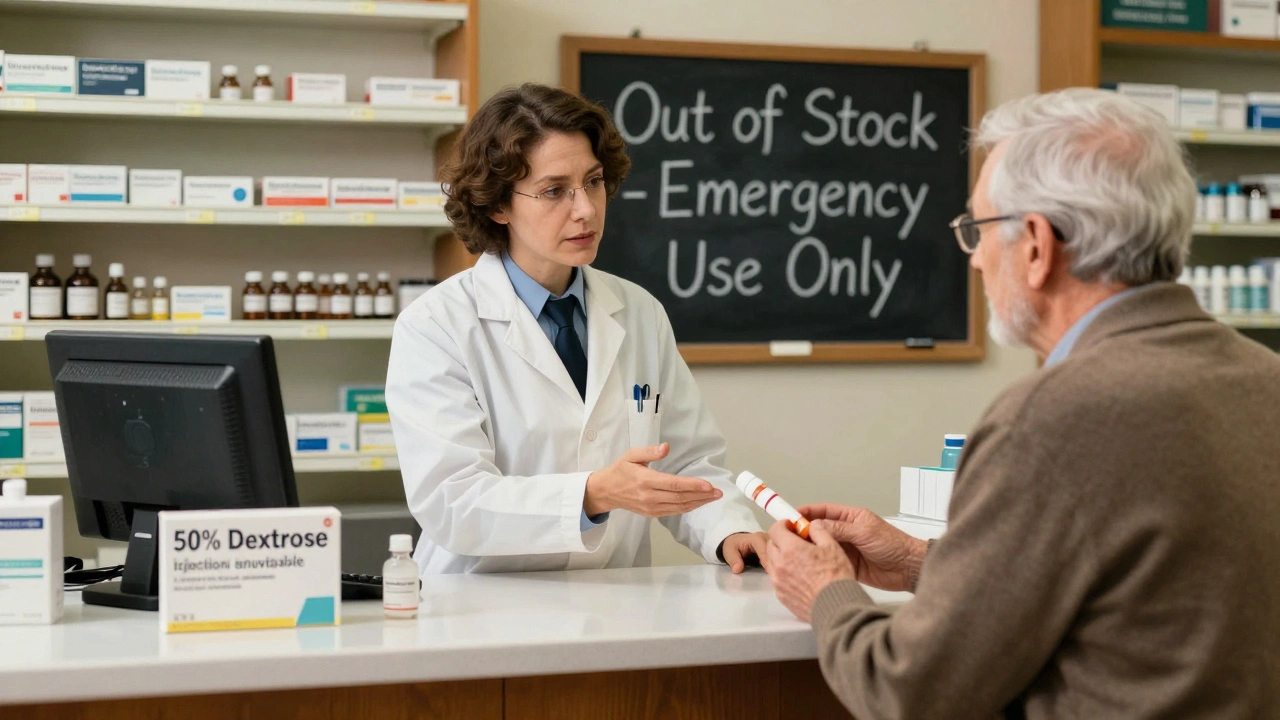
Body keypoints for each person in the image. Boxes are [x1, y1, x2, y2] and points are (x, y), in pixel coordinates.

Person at [766, 88, 1280, 718]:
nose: (976, 259)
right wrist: (919, 563)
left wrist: (825, 592)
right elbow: (1145, 600)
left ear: (1037, 245)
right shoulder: (1265, 378)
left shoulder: (1048, 420)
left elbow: (908, 689)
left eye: (978, 230)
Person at [386, 83, 767, 575]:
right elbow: (453, 501)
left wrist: (729, 532)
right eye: (554, 191)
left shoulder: (639, 311)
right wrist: (593, 494)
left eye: (592, 182)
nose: (585, 208)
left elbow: (686, 461)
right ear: (498, 206)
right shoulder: (437, 326)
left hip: (613, 603)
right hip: (479, 610)